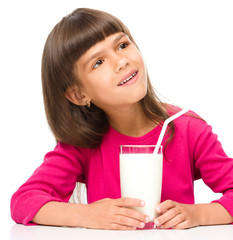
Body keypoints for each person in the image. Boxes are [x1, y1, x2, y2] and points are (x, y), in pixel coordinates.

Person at [10, 8, 233, 230]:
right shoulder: (82, 145)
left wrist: (199, 214)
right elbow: (23, 201)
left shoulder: (188, 129)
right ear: (79, 95)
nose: (121, 61)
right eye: (98, 62)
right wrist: (87, 215)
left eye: (122, 45)